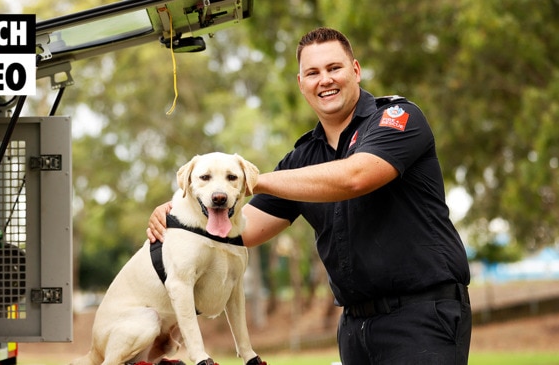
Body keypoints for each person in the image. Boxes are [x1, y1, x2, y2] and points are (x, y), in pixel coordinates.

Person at [148, 27, 471, 365]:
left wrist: (245, 180)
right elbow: (244, 229)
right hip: (354, 326)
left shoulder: (398, 119)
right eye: (313, 73)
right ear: (301, 83)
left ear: (356, 71)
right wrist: (179, 212)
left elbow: (355, 177)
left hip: (421, 317)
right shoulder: (302, 158)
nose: (325, 80)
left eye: (335, 68)